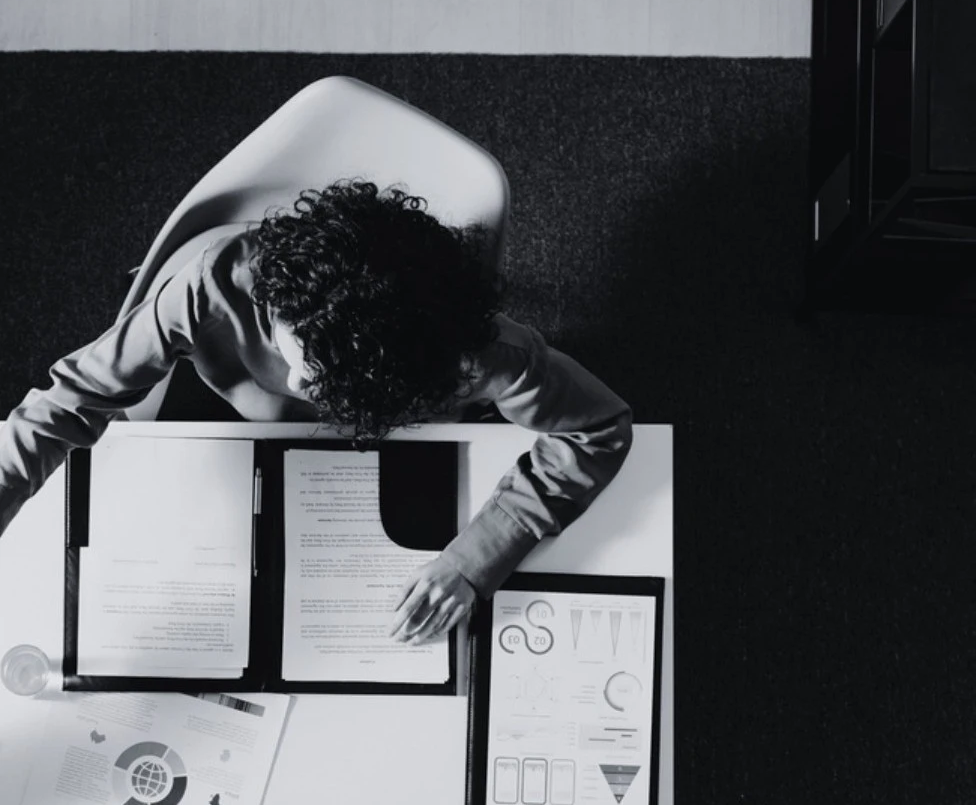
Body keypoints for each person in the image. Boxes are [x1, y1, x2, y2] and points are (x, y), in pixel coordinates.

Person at [0, 181, 632, 643]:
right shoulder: (210, 288)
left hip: (405, 453)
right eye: (288, 343)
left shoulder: (478, 357)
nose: (296, 379)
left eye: (322, 374)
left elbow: (600, 429)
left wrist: (479, 557)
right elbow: (65, 402)